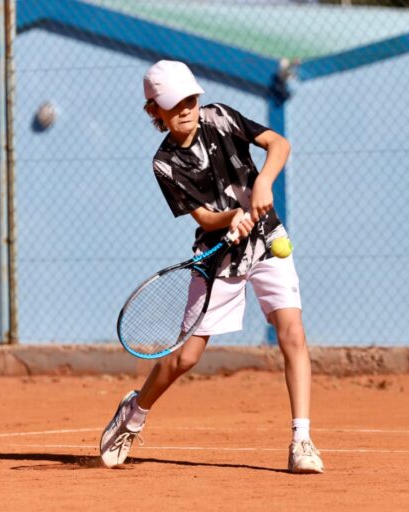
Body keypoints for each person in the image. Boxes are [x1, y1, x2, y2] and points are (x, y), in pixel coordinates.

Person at [99, 60, 324, 474]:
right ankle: (133, 413)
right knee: (185, 357)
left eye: (190, 98)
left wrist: (262, 183)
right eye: (174, 103)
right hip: (218, 255)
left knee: (292, 331)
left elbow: (279, 145)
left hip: (267, 239)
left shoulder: (220, 117)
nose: (185, 108)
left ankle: (302, 440)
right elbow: (203, 217)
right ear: (155, 111)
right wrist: (231, 218)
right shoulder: (164, 164)